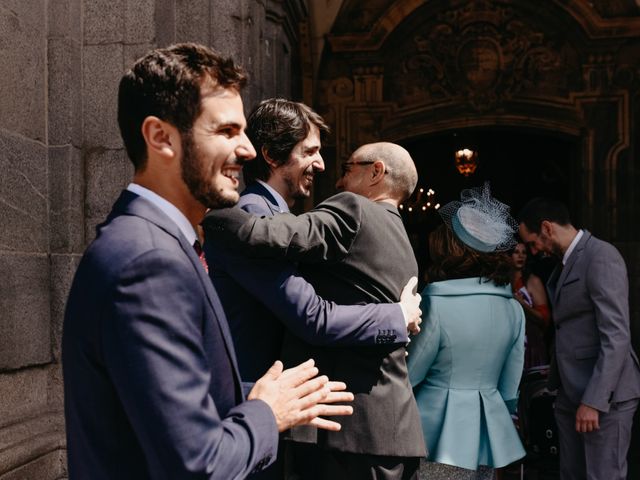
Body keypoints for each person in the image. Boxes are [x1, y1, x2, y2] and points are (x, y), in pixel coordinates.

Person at [62, 43, 354, 480]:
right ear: (161, 137)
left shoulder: (160, 241)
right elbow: (197, 465)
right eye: (226, 131)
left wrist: (262, 393)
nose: (249, 150)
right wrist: (265, 412)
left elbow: (165, 399)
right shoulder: (148, 262)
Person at [203, 98, 421, 478]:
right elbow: (312, 317)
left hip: (287, 413)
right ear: (271, 155)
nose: (322, 166)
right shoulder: (253, 214)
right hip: (252, 404)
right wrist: (397, 316)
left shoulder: (288, 220)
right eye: (310, 151)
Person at [407, 183, 526, 480]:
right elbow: (511, 388)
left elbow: (411, 374)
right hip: (486, 434)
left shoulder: (436, 303)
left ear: (449, 247)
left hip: (434, 431)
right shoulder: (513, 308)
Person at [518, 197, 640, 480]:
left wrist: (594, 401)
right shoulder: (565, 262)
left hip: (605, 399)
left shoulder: (601, 256)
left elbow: (616, 335)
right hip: (570, 395)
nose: (533, 252)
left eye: (533, 243)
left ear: (547, 228)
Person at [510, 241, 550, 370]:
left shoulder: (533, 281)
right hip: (508, 346)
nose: (520, 256)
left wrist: (522, 304)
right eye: (516, 252)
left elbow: (544, 318)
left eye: (524, 253)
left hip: (531, 346)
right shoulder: (502, 281)